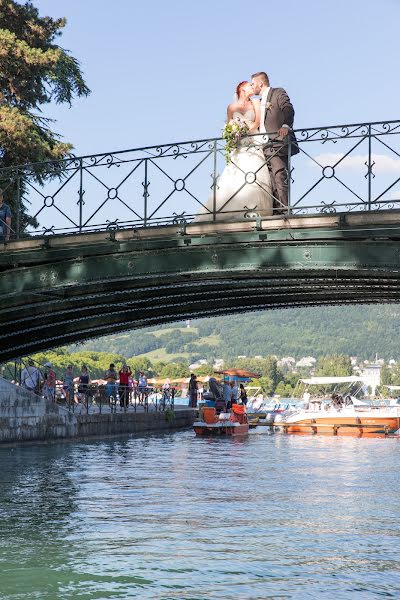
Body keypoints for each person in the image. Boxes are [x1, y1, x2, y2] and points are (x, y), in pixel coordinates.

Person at [195, 81, 272, 222]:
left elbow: (257, 123)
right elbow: (229, 124)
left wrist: (245, 132)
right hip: (238, 146)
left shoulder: (255, 102)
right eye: (249, 85)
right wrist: (232, 133)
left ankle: (253, 208)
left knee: (253, 172)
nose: (252, 87)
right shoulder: (231, 107)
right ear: (242, 89)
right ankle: (229, 208)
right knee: (235, 174)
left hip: (252, 142)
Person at [251, 71, 298, 215]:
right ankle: (274, 211)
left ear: (260, 83)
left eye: (253, 84)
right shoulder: (257, 102)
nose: (252, 87)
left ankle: (284, 211)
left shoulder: (278, 92)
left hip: (277, 141)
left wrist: (285, 125)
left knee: (279, 173)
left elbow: (288, 108)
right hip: (264, 145)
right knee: (269, 178)